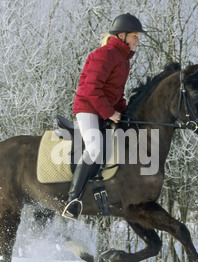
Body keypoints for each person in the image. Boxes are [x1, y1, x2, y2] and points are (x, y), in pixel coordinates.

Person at [62, 13, 146, 220]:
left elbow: (116, 94)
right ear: (122, 35)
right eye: (135, 36)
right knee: (95, 148)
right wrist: (110, 112)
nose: (138, 40)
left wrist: (124, 111)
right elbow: (92, 89)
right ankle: (73, 200)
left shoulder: (124, 60)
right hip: (88, 108)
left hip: (102, 108)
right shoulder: (106, 54)